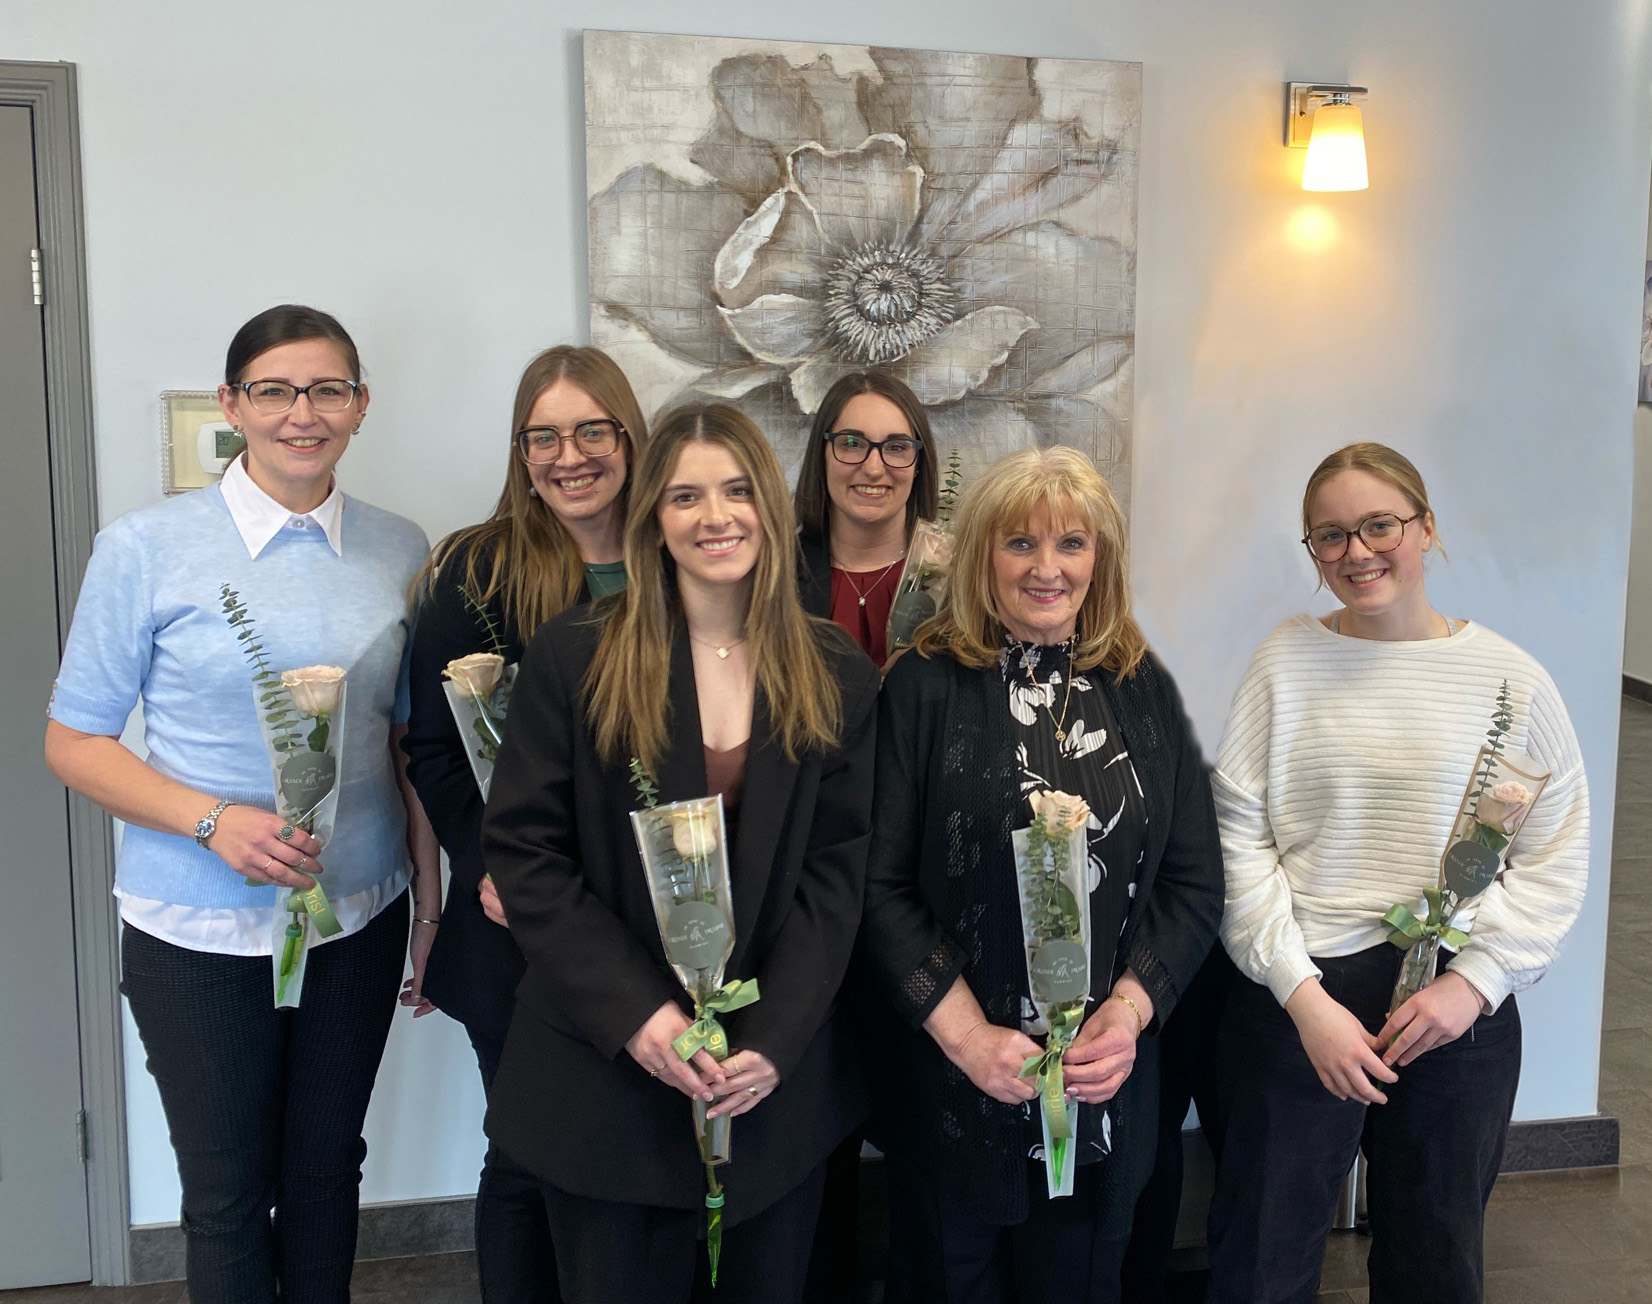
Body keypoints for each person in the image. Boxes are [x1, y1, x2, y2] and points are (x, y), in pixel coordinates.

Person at [44, 305, 438, 1303]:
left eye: (328, 389)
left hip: (357, 916)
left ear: (359, 404)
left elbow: (404, 747)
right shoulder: (145, 547)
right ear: (232, 404)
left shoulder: (401, 548)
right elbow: (73, 743)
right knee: (226, 1191)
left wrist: (429, 910)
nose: (303, 413)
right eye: (274, 390)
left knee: (325, 1169)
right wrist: (213, 822)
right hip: (197, 927)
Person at [479, 403, 880, 1304]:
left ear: (769, 507)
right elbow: (527, 853)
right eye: (686, 496)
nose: (716, 517)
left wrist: (773, 1041)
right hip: (605, 1080)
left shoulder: (837, 673)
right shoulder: (575, 656)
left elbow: (837, 877)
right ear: (652, 516)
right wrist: (641, 1017)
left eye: (738, 491)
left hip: (770, 1085)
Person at [1204, 442, 1590, 1304]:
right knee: (1261, 1256)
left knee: (1436, 1259)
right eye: (1330, 535)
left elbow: (1554, 856)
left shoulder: (1512, 681)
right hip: (1302, 996)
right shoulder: (1284, 661)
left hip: (1453, 1009)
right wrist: (1302, 998)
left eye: (1380, 525)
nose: (1357, 552)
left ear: (1427, 528)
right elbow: (1237, 842)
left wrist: (1475, 985)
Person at [859, 445, 1224, 1304]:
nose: (1046, 567)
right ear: (984, 554)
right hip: (957, 1086)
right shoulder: (922, 687)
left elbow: (1193, 882)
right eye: (1020, 542)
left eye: (1072, 543)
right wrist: (967, 1040)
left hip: (1105, 1087)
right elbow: (878, 888)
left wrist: (1129, 1016)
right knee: (949, 1280)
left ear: (1101, 559)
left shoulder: (1139, 685)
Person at [401, 345, 649, 1303]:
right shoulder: (478, 568)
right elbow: (435, 749)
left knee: (635, 1146)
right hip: (519, 923)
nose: (568, 456)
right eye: (542, 436)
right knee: (527, 1155)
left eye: (591, 430)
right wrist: (494, 865)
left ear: (629, 434)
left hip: (651, 913)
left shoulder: (678, 554)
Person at [794, 372, 939, 665]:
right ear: (822, 455)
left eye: (896, 447)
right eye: (852, 443)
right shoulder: (776, 576)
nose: (873, 469)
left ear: (918, 465)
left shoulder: (952, 575)